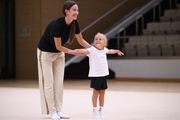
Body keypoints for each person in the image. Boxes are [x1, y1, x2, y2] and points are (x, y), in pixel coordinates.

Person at [37, 0, 91, 120]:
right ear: (66, 11)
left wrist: (93, 50)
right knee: (49, 84)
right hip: (45, 53)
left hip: (59, 54)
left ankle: (59, 110)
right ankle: (52, 112)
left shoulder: (75, 24)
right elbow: (59, 46)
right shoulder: (56, 25)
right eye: (74, 10)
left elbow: (81, 41)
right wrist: (75, 52)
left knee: (59, 83)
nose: (76, 12)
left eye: (77, 10)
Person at [85, 32, 124, 118]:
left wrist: (117, 51)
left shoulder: (104, 50)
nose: (97, 40)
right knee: (95, 93)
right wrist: (72, 51)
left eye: (100, 39)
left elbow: (110, 51)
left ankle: (101, 109)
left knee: (102, 93)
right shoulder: (91, 50)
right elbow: (82, 49)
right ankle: (94, 109)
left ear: (104, 43)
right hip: (95, 75)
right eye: (96, 39)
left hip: (103, 75)